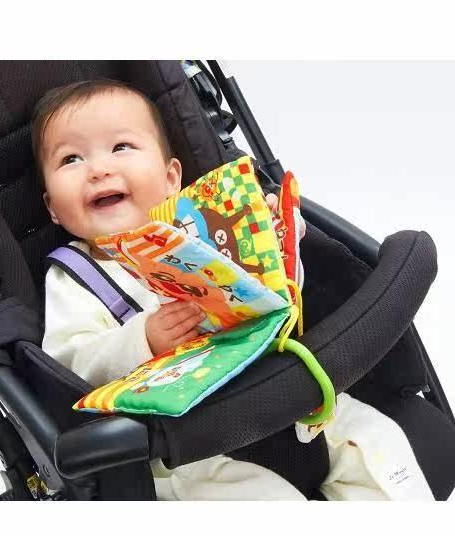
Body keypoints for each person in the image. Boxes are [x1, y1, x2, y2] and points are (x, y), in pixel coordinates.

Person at [34, 78, 433, 500]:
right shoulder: (74, 277)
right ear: (52, 207)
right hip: (192, 450)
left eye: (121, 147)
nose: (98, 170)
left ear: (170, 178)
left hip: (287, 391)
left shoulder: (210, 219)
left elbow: (281, 293)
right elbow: (70, 365)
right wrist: (142, 340)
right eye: (71, 159)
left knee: (378, 445)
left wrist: (280, 241)